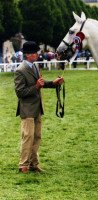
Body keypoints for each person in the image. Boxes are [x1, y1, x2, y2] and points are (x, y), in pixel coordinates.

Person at [14, 41, 64, 173]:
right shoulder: (20, 70)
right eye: (35, 52)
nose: (37, 54)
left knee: (37, 137)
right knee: (28, 137)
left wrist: (54, 83)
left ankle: (33, 164)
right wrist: (35, 87)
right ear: (28, 54)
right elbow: (20, 92)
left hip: (37, 109)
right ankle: (23, 165)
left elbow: (40, 83)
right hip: (28, 110)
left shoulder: (35, 67)